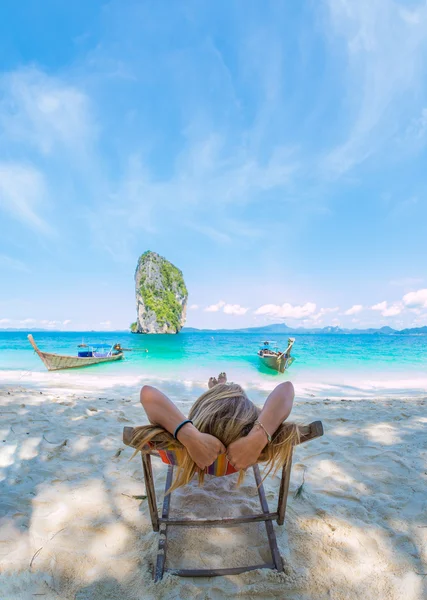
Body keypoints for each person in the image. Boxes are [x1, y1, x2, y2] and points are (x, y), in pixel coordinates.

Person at [131, 373, 298, 492]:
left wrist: (189, 434)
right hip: (240, 439)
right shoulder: (257, 443)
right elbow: (286, 388)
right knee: (237, 396)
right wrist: (258, 436)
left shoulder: (183, 439)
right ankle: (221, 388)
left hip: (200, 430)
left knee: (225, 401)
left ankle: (217, 390)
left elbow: (148, 394)